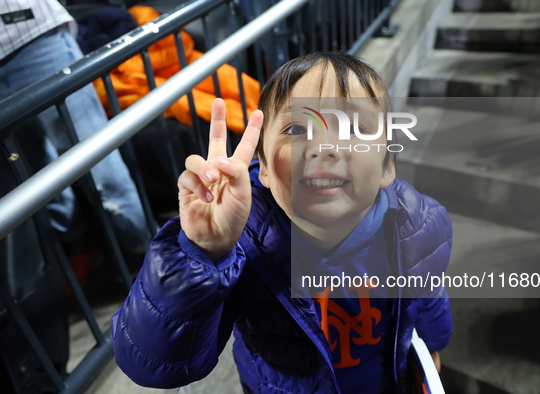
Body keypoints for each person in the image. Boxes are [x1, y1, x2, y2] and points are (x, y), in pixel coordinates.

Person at [112, 52, 453, 393]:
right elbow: (157, 366)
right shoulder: (242, 244)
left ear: (386, 167)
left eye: (354, 128)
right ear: (262, 167)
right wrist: (201, 254)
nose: (324, 146)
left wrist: (435, 344)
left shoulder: (416, 223)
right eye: (297, 128)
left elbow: (428, 290)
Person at [0, 0, 152, 267]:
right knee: (30, 175)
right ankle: (82, 252)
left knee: (98, 162)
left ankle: (153, 257)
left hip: (30, 32)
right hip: (27, 33)